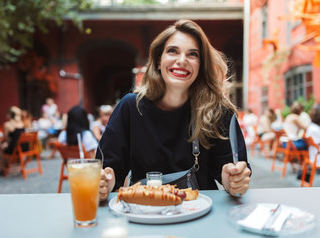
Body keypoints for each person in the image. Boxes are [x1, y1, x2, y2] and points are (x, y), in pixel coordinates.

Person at [96, 19, 251, 201]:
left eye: (193, 54)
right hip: (144, 212)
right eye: (172, 51)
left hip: (200, 214)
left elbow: (234, 179)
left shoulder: (218, 110)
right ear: (158, 61)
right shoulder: (130, 106)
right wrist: (104, 181)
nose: (182, 60)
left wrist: (232, 180)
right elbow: (108, 169)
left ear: (201, 66)